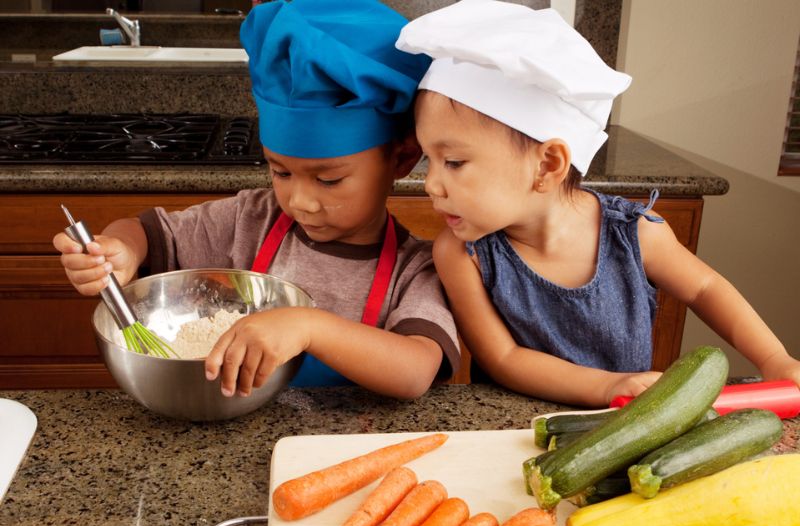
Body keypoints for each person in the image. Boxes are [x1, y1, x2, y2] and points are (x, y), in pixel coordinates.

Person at [396, 0, 800, 407]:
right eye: (430, 160)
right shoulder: (462, 253)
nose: (431, 185)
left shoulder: (636, 233)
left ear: (548, 165)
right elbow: (504, 358)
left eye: (453, 162)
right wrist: (605, 387)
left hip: (624, 425)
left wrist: (773, 358)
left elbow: (705, 288)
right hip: (511, 430)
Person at [53, 0, 459, 400]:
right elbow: (145, 231)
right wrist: (118, 250)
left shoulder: (416, 268)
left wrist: (308, 328)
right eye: (281, 171)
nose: (299, 201)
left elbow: (415, 371)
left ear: (402, 158)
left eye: (329, 179)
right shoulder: (249, 220)